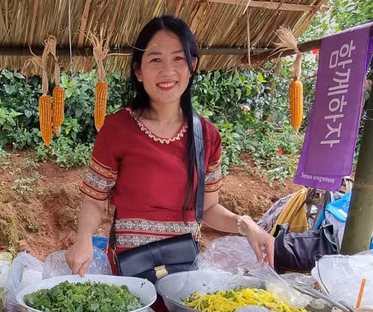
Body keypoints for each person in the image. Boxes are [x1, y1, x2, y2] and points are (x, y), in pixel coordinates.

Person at [65, 15, 275, 276]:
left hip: (183, 269)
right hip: (129, 269)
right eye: (155, 59)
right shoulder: (116, 128)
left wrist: (245, 224)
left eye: (178, 58)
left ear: (192, 65)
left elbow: (209, 209)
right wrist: (83, 238)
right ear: (139, 71)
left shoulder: (207, 135)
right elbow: (94, 200)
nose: (167, 71)